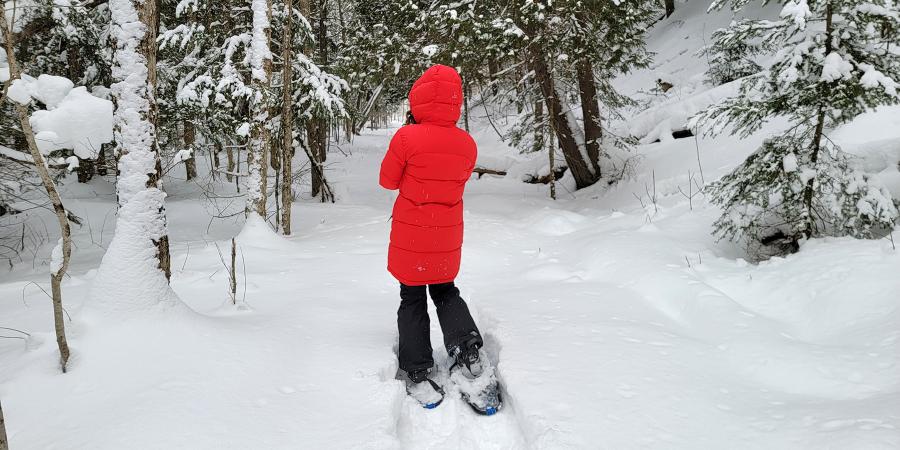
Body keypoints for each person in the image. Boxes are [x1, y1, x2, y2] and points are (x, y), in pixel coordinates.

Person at [379, 64, 484, 407]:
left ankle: (417, 367)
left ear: (418, 99)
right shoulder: (467, 144)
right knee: (445, 291)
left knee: (412, 297)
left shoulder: (406, 138)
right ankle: (466, 347)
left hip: (412, 234)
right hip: (446, 234)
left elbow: (387, 180)